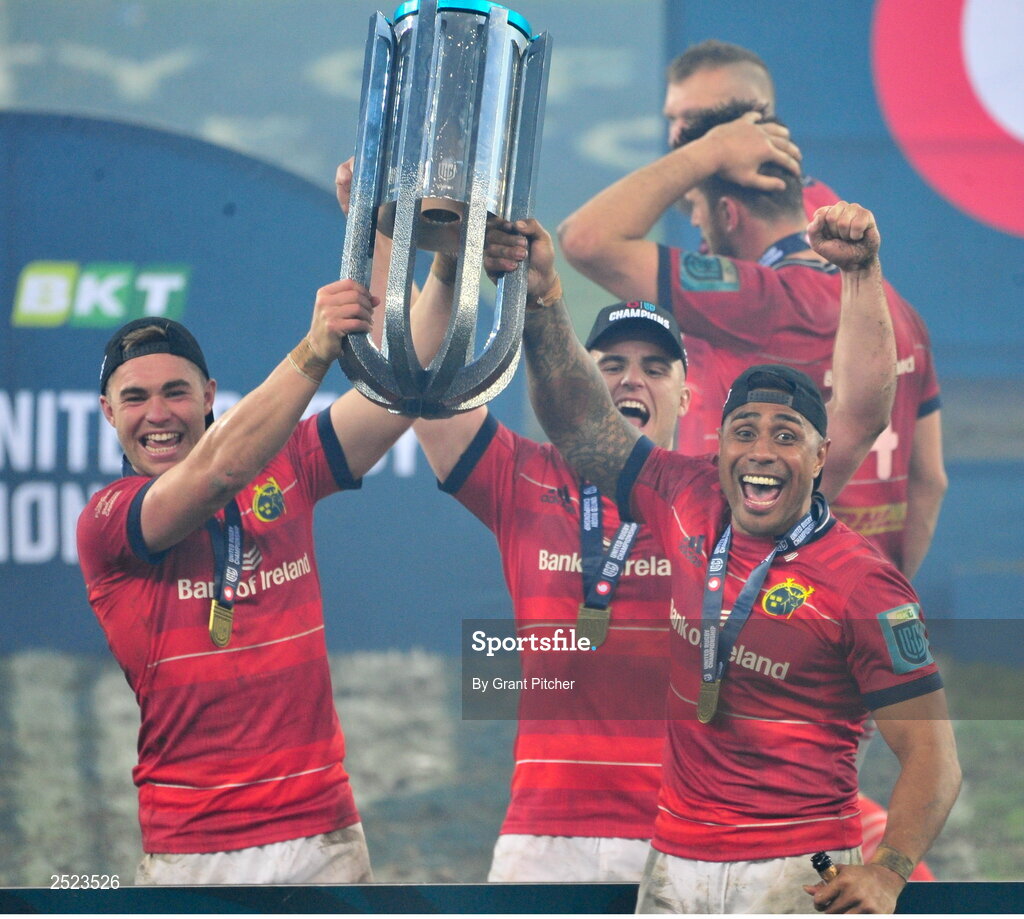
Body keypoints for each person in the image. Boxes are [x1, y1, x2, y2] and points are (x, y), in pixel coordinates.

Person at [402, 197, 899, 884]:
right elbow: (427, 388)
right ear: (581, 379)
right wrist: (447, 261)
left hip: (689, 836)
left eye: (656, 367)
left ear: (688, 395)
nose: (631, 378)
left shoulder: (726, 500)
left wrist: (862, 275)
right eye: (611, 363)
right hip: (543, 837)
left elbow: (861, 418)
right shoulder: (524, 477)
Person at [504, 210, 961, 913]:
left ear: (819, 457)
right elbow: (579, 423)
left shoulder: (862, 581)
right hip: (676, 862)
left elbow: (935, 762)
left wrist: (889, 869)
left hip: (797, 866)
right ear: (715, 446)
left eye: (786, 435)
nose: (761, 451)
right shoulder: (685, 496)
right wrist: (541, 303)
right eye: (743, 431)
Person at [76, 272, 446, 884]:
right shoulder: (107, 523)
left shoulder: (291, 462)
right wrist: (314, 351)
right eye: (135, 398)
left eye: (177, 392)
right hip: (192, 851)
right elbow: (217, 474)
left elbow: (403, 384)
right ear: (108, 412)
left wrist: (448, 270)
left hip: (323, 835)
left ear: (211, 395)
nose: (159, 414)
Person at [559, 99, 945, 580]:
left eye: (696, 209)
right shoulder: (893, 308)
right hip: (863, 595)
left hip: (764, 603)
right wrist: (888, 590)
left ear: (727, 211)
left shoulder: (760, 299)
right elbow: (929, 481)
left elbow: (584, 241)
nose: (696, 226)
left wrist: (710, 152)